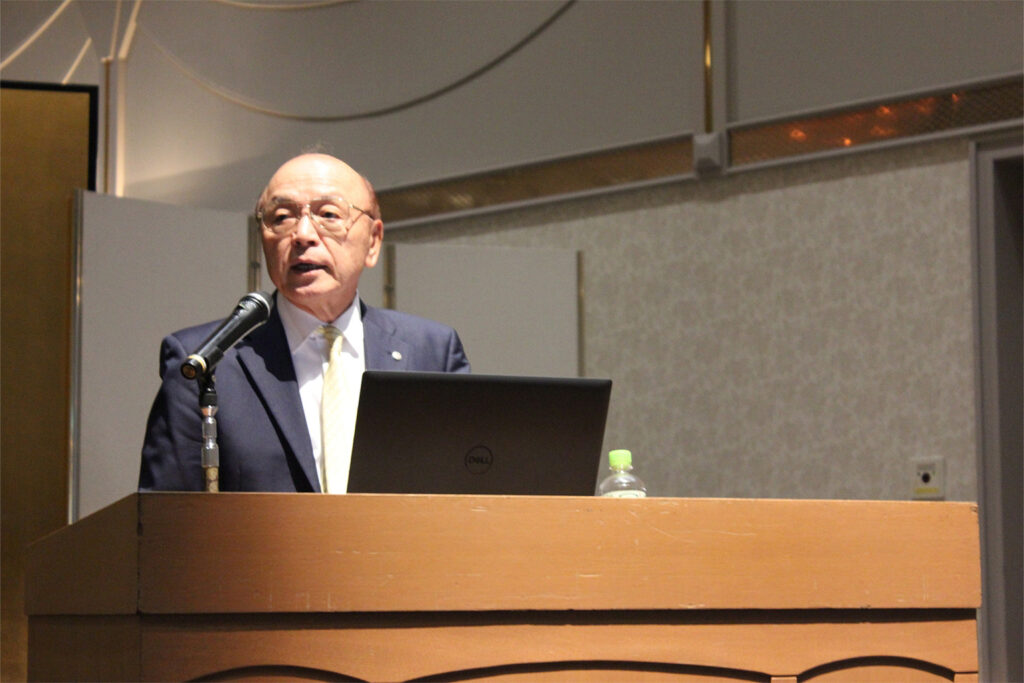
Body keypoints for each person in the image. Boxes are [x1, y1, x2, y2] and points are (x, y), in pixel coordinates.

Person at [139, 153, 470, 492]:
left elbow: (470, 494)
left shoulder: (431, 352)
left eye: (328, 214)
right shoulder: (205, 362)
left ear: (373, 241)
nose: (302, 234)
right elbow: (163, 514)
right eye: (282, 217)